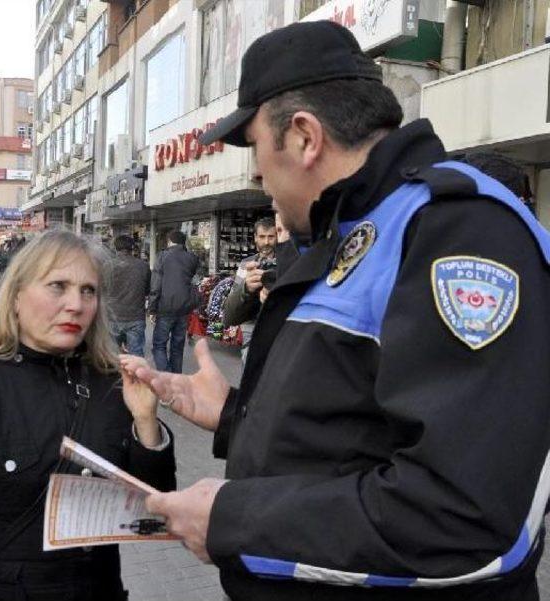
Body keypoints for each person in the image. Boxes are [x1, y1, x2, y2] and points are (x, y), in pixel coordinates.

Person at [121, 20, 550, 601]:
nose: (254, 174)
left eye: (255, 148)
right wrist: (235, 417)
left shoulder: (453, 231)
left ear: (303, 136)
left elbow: (458, 515)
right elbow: (356, 424)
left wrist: (233, 517)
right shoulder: (348, 232)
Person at [0, 230, 176, 601]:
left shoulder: (112, 384)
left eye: (88, 291)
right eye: (58, 286)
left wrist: (146, 422)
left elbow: (157, 505)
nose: (76, 304)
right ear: (17, 296)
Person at [222, 217, 277, 363]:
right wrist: (246, 287)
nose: (266, 242)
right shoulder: (246, 264)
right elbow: (234, 298)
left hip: (277, 325)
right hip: (251, 326)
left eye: (271, 237)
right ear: (255, 238)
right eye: (262, 237)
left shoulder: (285, 261)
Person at [148, 230, 199, 373]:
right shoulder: (192, 258)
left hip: (165, 307)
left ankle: (167, 376)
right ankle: (176, 378)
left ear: (169, 241)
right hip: (184, 308)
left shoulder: (162, 256)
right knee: (177, 347)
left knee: (159, 345)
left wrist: (152, 309)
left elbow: (156, 285)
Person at [110, 234, 151, 357]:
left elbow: (101, 291)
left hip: (112, 316)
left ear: (115, 248)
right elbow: (148, 290)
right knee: (136, 355)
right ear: (132, 248)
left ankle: (116, 376)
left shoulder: (107, 266)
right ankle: (136, 376)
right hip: (136, 317)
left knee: (112, 355)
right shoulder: (143, 266)